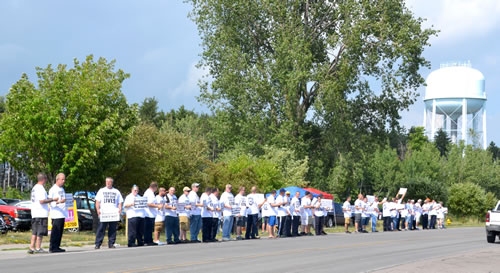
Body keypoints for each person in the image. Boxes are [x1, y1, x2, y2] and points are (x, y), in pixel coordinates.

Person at [29, 173, 54, 254]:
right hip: (41, 213)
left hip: (35, 213)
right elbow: (42, 201)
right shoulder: (40, 188)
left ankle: (31, 247)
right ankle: (38, 247)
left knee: (34, 231)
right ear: (44, 179)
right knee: (40, 232)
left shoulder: (34, 188)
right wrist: (52, 199)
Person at [95, 177, 123, 250]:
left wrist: (120, 208)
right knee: (101, 228)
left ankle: (111, 243)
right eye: (107, 182)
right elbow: (97, 201)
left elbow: (120, 201)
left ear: (112, 183)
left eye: (109, 182)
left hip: (113, 213)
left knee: (112, 229)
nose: (108, 183)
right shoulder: (101, 191)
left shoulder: (116, 191)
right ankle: (98, 244)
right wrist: (98, 209)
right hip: (104, 213)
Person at [48, 173, 67, 253]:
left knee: (60, 231)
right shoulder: (53, 189)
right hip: (56, 214)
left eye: (64, 179)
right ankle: (52, 247)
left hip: (62, 213)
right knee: (55, 231)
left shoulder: (62, 189)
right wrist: (59, 202)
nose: (63, 181)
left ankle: (57, 246)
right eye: (62, 179)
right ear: (57, 179)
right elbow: (50, 202)